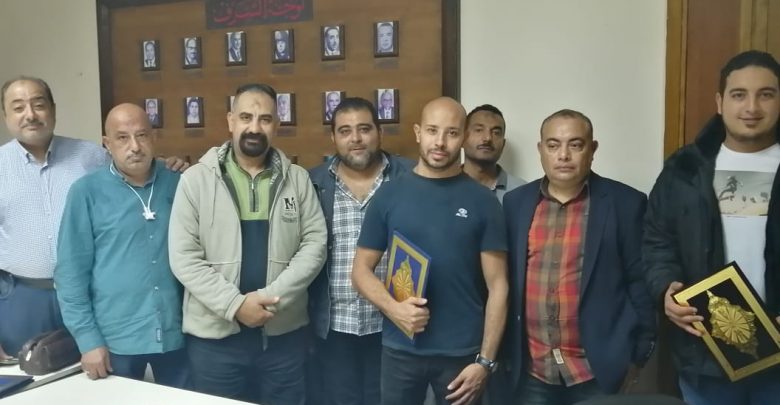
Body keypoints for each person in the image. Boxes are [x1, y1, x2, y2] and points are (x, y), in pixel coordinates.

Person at [0, 75, 187, 359]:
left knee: (93, 372)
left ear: (53, 109)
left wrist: (169, 165)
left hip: (90, 297)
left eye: (38, 104)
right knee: (26, 379)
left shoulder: (89, 155)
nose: (30, 115)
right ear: (5, 115)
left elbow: (132, 168)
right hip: (23, 297)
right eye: (18, 107)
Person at [168, 83, 327, 404]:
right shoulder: (195, 180)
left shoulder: (297, 179)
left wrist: (270, 300)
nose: (254, 127)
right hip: (215, 341)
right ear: (230, 121)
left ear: (277, 125)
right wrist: (236, 306)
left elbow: (315, 245)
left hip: (283, 336)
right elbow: (184, 257)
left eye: (265, 119)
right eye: (245, 117)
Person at [352, 97, 509, 405]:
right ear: (418, 132)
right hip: (400, 348)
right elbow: (360, 271)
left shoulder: (484, 202)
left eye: (452, 133)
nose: (440, 142)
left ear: (464, 137)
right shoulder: (388, 196)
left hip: (462, 354)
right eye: (432, 130)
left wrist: (485, 361)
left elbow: (499, 286)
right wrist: (395, 309)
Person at [644, 50, 780, 405]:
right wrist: (665, 291)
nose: (752, 107)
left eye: (766, 94)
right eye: (739, 94)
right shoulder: (684, 168)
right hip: (705, 354)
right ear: (720, 102)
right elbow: (656, 241)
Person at [503, 109, 656, 405]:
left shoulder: (625, 203)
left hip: (597, 371)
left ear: (592, 149)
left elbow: (640, 283)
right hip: (533, 370)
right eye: (553, 145)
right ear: (540, 149)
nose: (563, 155)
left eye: (575, 145)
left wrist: (639, 355)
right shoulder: (515, 204)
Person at [54, 103, 188, 387]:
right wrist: (88, 340)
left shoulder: (179, 182)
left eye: (142, 135)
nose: (135, 147)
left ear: (154, 137)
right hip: (116, 339)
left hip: (178, 334)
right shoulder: (86, 192)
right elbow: (71, 274)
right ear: (107, 143)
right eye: (123, 138)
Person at [308, 97, 414, 405]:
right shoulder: (312, 183)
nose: (355, 138)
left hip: (393, 326)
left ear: (380, 132)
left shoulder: (410, 177)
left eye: (364, 129)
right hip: (334, 328)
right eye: (345, 131)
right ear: (333, 138)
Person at [462, 104, 526, 202]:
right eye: (479, 130)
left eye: (496, 133)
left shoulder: (523, 192)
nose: (487, 138)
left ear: (503, 144)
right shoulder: (445, 185)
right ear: (462, 138)